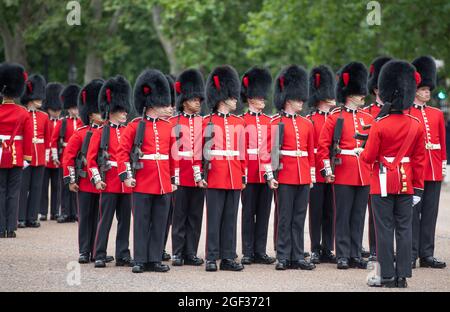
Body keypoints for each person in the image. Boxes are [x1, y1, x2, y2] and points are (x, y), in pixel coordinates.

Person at [363, 60, 425, 288]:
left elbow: (368, 157)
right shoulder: (416, 124)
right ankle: (402, 277)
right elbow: (419, 160)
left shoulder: (380, 124)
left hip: (382, 183)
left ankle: (386, 275)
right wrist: (418, 187)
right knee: (405, 229)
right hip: (407, 183)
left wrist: (362, 152)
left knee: (384, 230)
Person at [117, 69, 179, 273]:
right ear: (152, 103)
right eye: (163, 103)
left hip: (163, 181)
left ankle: (154, 259)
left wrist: (173, 178)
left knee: (160, 222)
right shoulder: (135, 126)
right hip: (142, 180)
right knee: (142, 221)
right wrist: (126, 176)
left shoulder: (167, 126)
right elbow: (122, 152)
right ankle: (140, 259)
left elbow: (173, 155)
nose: (167, 107)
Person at [317, 62, 373, 270]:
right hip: (343, 171)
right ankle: (342, 254)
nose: (362, 97)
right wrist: (328, 170)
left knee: (358, 215)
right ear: (350, 95)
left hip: (363, 172)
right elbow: (323, 146)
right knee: (343, 214)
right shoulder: (335, 117)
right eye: (359, 93)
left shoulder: (368, 118)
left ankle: (355, 253)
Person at [263, 65, 316, 271]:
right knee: (284, 217)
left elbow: (310, 152)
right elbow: (267, 151)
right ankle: (283, 256)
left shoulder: (307, 124)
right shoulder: (275, 122)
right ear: (287, 99)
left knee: (299, 217)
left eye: (302, 98)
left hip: (303, 175)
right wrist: (270, 174)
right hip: (284, 175)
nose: (301, 102)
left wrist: (311, 175)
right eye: (298, 99)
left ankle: (297, 256)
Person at [202, 65, 247, 272]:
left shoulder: (238, 122)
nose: (236, 100)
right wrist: (199, 174)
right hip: (215, 175)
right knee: (214, 218)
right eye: (232, 96)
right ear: (222, 98)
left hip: (234, 175)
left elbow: (242, 151)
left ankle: (228, 257)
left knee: (230, 219)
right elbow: (199, 152)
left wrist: (243, 174)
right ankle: (211, 257)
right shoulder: (207, 122)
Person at [87, 76, 134, 269]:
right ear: (112, 110)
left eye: (124, 110)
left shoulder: (128, 130)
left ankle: (123, 254)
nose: (124, 113)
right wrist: (97, 180)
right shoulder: (100, 132)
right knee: (104, 220)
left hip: (126, 183)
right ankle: (99, 254)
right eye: (120, 110)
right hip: (108, 181)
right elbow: (91, 160)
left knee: (125, 222)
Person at [409, 56, 447, 269]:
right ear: (415, 90)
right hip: (416, 171)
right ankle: (412, 253)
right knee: (413, 213)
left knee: (430, 214)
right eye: (423, 89)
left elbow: (441, 143)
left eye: (427, 89)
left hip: (433, 170)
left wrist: (442, 166)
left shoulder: (436, 114)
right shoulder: (408, 113)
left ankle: (427, 254)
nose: (427, 93)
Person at [62, 79, 104, 264]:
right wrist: (71, 180)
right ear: (89, 114)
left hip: (101, 182)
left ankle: (96, 251)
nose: (101, 114)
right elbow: (69, 158)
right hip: (85, 183)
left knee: (99, 219)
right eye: (97, 112)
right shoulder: (80, 133)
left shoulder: (106, 132)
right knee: (85, 217)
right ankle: (84, 250)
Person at [169, 69, 206, 267]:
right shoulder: (174, 122)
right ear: (184, 101)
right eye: (194, 99)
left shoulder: (204, 122)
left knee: (195, 215)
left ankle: (191, 252)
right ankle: (177, 252)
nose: (198, 102)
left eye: (199, 99)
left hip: (198, 176)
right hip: (180, 174)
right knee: (179, 214)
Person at [239, 66, 275, 265]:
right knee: (248, 212)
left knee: (264, 212)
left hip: (265, 172)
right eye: (260, 97)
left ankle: (260, 250)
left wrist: (271, 174)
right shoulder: (242, 120)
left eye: (263, 97)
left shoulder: (269, 121)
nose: (263, 100)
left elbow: (272, 150)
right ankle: (247, 250)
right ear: (250, 98)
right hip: (249, 172)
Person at [362, 56, 393, 261]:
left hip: (392, 168)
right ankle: (375, 249)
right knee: (375, 213)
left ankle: (387, 248)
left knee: (392, 212)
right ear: (376, 90)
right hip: (371, 167)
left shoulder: (398, 112)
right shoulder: (367, 113)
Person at [306, 65, 337, 264]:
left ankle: (328, 248)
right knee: (316, 211)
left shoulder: (337, 118)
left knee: (331, 211)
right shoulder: (310, 119)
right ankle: (315, 248)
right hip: (316, 171)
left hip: (334, 169)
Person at [0, 63, 32, 238]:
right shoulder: (23, 113)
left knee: (1, 190)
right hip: (16, 156)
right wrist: (27, 158)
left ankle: (0, 227)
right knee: (13, 192)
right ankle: (11, 228)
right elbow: (27, 138)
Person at [18, 74, 49, 229]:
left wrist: (48, 155)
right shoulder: (22, 114)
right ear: (30, 97)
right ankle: (21, 217)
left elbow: (48, 138)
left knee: (37, 187)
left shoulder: (44, 116)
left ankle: (32, 217)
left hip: (40, 155)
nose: (40, 100)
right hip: (26, 154)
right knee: (23, 187)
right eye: (38, 97)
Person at [50, 84, 83, 223]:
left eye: (76, 108)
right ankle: (64, 212)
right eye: (73, 108)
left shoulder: (82, 122)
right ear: (68, 108)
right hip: (65, 156)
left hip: (78, 157)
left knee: (76, 184)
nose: (75, 111)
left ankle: (74, 212)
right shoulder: (62, 122)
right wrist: (55, 157)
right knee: (65, 185)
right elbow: (53, 140)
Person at [40, 83, 64, 221]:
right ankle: (43, 211)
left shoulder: (62, 122)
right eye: (53, 109)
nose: (56, 112)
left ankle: (55, 211)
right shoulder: (45, 120)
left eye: (58, 109)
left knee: (57, 186)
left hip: (58, 158)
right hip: (45, 157)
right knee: (43, 186)